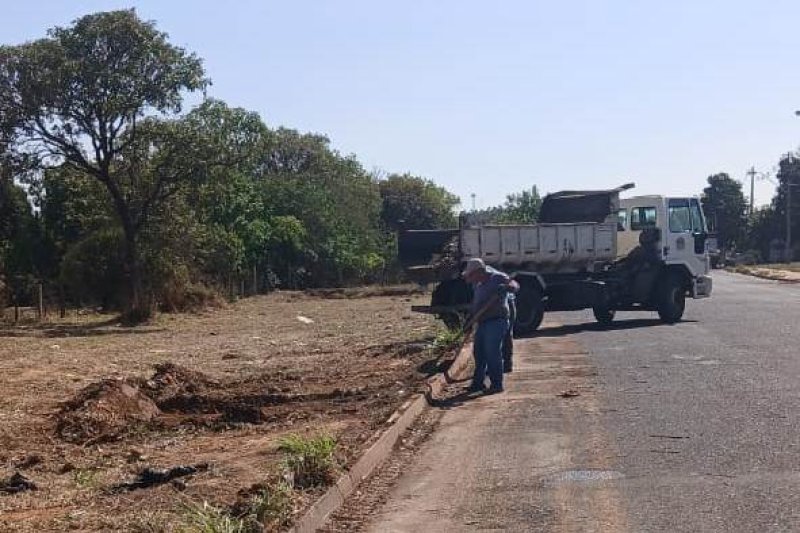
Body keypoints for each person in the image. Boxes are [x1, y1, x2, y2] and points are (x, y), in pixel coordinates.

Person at [462, 258, 519, 394]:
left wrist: (507, 287)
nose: (470, 278)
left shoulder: (497, 277)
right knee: (479, 352)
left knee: (492, 351)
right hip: (482, 321)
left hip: (497, 320)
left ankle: (496, 384)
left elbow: (515, 285)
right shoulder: (478, 284)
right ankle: (478, 383)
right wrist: (470, 318)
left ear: (480, 271)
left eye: (471, 275)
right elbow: (477, 303)